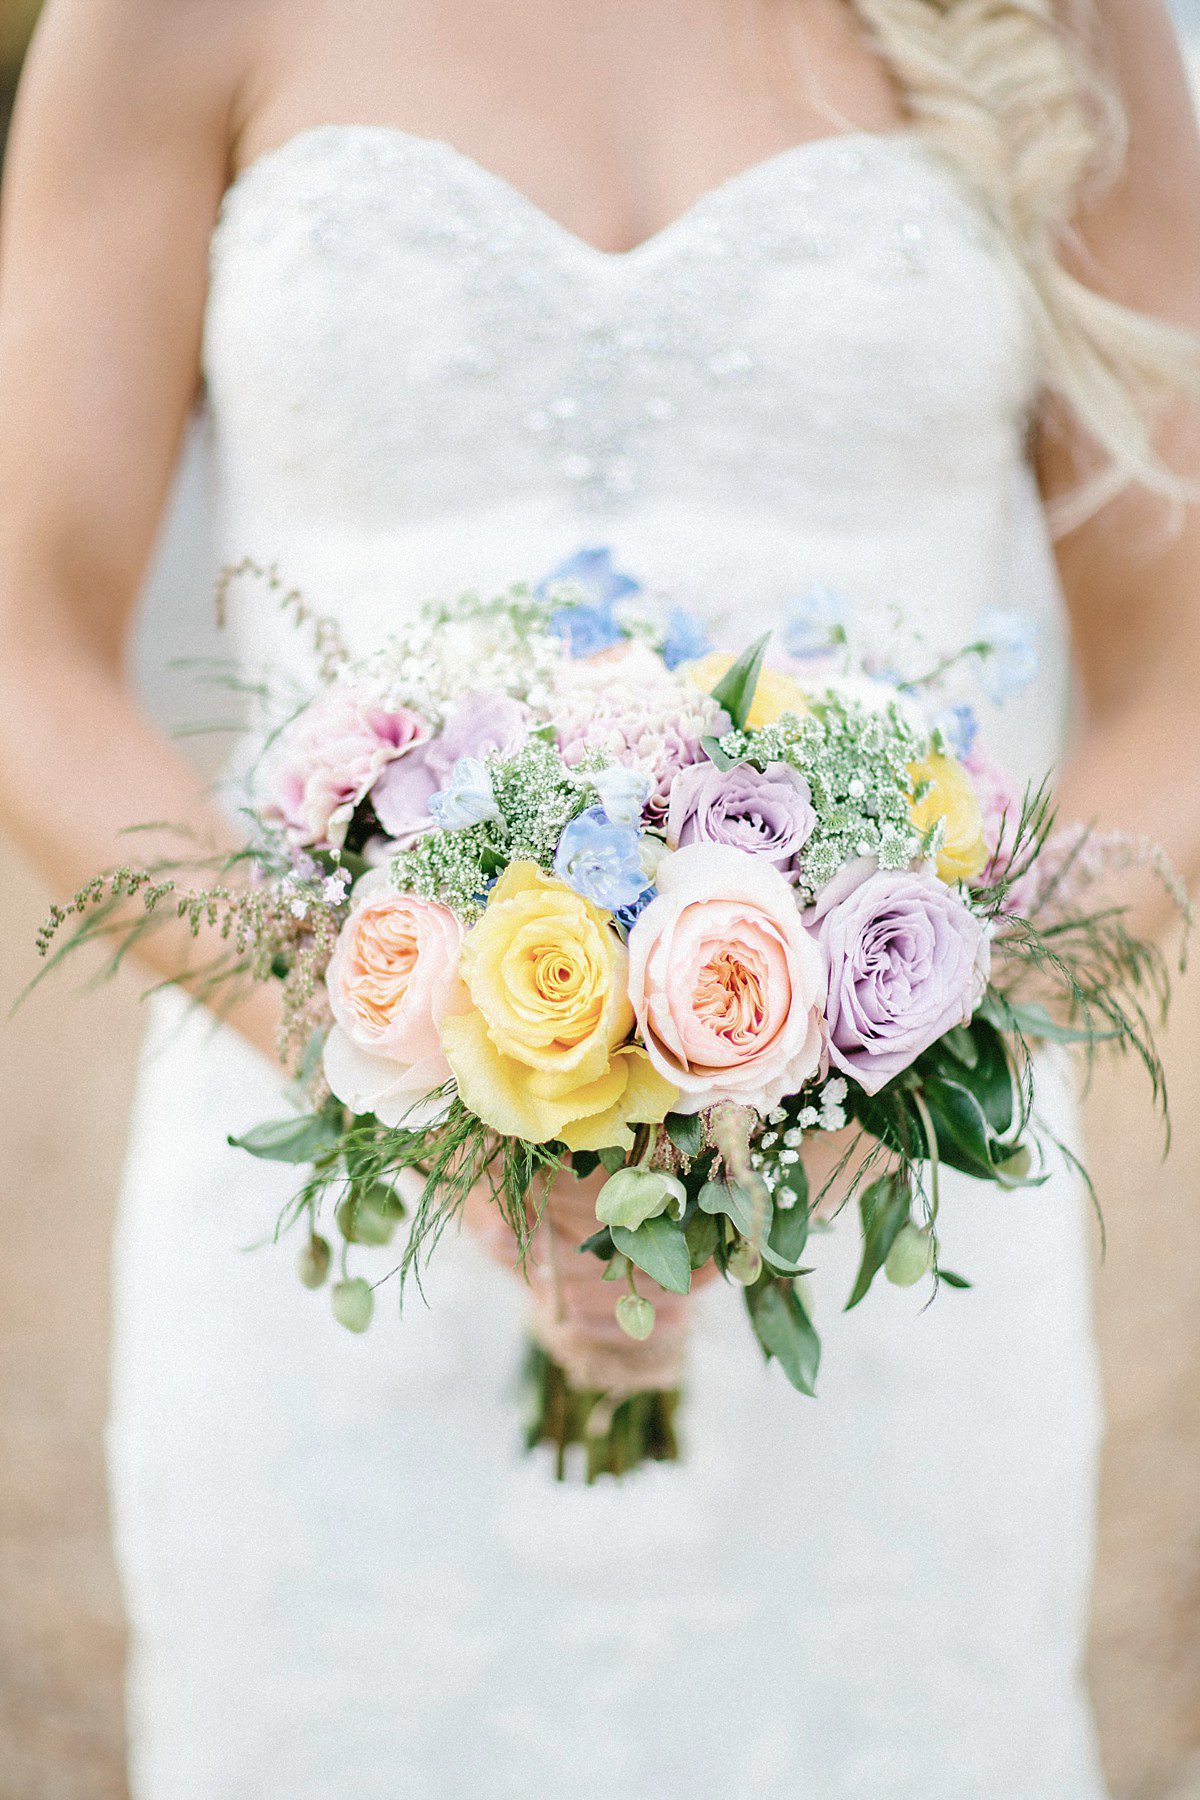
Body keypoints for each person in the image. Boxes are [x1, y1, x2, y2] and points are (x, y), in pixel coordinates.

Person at [2, 1, 1200, 1795]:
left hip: (887, 1256)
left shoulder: (1060, 20)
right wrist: (373, 1050)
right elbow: (26, 641)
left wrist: (912, 1047)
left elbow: (1179, 677)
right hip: (334, 1218)